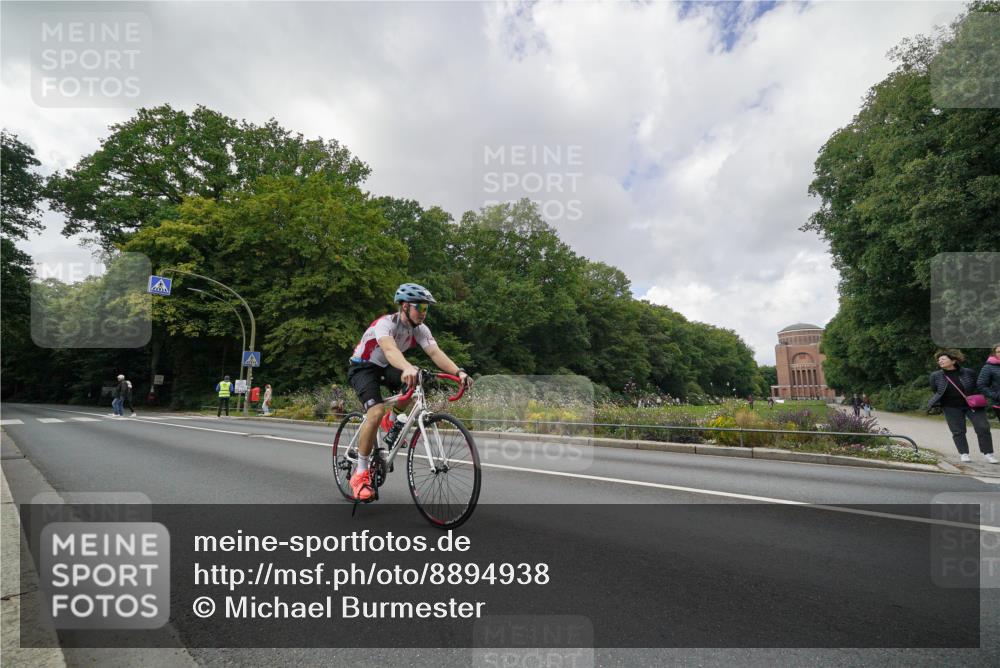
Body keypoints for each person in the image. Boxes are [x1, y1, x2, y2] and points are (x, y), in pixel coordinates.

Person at [346, 283, 471, 501]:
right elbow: (389, 349)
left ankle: (392, 419)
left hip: (386, 367)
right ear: (404, 306)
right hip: (363, 366)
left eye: (426, 309)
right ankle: (360, 474)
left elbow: (435, 352)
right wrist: (406, 367)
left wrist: (459, 372)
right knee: (374, 412)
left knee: (417, 378)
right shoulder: (385, 324)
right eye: (419, 308)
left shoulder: (420, 329)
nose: (423, 313)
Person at [928, 350, 996, 464]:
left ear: (953, 360)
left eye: (943, 359)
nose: (940, 361)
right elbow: (936, 389)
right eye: (939, 360)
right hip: (950, 406)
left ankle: (988, 454)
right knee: (958, 431)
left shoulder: (968, 372)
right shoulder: (936, 376)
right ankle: (964, 453)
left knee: (983, 427)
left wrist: (974, 397)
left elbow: (976, 386)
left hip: (972, 405)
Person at [977, 342, 1000, 422]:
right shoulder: (988, 367)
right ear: (994, 353)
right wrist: (996, 395)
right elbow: (981, 385)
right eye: (999, 351)